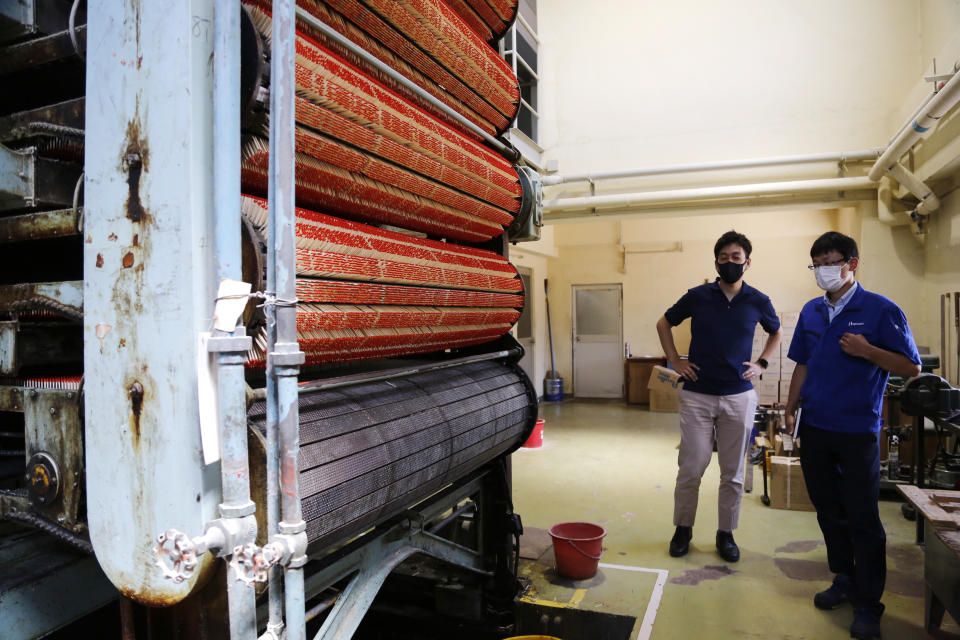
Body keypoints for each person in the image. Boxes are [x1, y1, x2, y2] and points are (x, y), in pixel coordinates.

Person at [784, 231, 920, 640]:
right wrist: (790, 407)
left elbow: (910, 367)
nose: (824, 270)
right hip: (816, 427)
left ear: (852, 264)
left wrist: (867, 351)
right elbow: (802, 365)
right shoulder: (810, 312)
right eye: (817, 264)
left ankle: (868, 602)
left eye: (831, 261)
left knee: (863, 517)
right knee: (828, 511)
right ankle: (843, 578)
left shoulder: (880, 310)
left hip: (857, 430)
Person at [656, 230, 781, 562]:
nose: (730, 263)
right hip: (697, 395)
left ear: (747, 262)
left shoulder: (758, 300)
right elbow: (664, 323)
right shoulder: (698, 296)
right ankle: (683, 529)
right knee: (691, 467)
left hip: (739, 396)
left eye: (736, 257)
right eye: (723, 258)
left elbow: (776, 331)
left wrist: (762, 363)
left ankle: (726, 534)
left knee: (733, 473)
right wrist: (676, 360)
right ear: (716, 262)